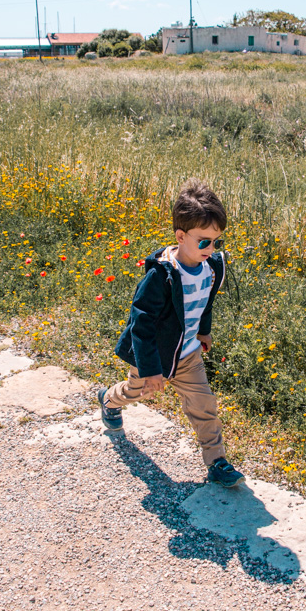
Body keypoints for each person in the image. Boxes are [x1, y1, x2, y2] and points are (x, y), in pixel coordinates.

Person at [99, 179, 244, 488]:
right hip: (156, 355)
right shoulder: (161, 276)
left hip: (189, 353)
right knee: (135, 392)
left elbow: (205, 300)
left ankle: (217, 461)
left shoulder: (212, 268)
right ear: (181, 236)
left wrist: (203, 331)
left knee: (204, 405)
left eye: (216, 241)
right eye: (203, 241)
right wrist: (151, 370)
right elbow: (141, 326)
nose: (211, 248)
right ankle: (109, 400)